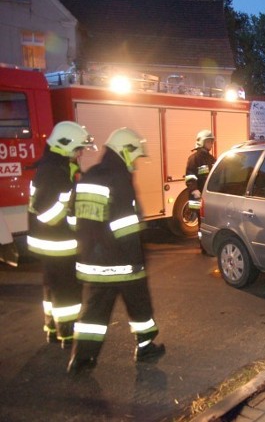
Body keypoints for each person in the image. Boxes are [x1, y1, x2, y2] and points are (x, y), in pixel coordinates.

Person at [68, 127, 165, 374]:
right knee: (139, 305)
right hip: (122, 262)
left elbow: (72, 218)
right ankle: (145, 347)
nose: (135, 162)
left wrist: (89, 243)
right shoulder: (119, 178)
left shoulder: (89, 175)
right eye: (134, 156)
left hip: (92, 260)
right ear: (125, 151)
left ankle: (81, 359)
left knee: (94, 312)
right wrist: (137, 260)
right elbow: (125, 226)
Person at [27, 121, 94, 348]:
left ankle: (52, 328)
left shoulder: (55, 167)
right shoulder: (53, 172)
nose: (81, 153)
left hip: (52, 243)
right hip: (58, 243)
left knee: (52, 287)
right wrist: (68, 196)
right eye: (78, 149)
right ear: (65, 147)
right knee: (66, 290)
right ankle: (66, 333)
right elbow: (47, 215)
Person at [185, 129, 216, 217]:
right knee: (199, 219)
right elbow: (190, 176)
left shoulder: (211, 158)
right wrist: (194, 190)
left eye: (211, 141)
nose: (211, 144)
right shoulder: (194, 158)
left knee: (207, 221)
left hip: (207, 195)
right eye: (209, 141)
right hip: (197, 196)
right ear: (202, 142)